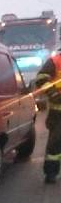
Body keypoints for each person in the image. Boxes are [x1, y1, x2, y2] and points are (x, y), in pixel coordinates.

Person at [35, 54, 61, 183]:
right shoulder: (55, 61)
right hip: (58, 112)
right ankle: (51, 173)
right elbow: (41, 79)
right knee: (55, 144)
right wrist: (53, 93)